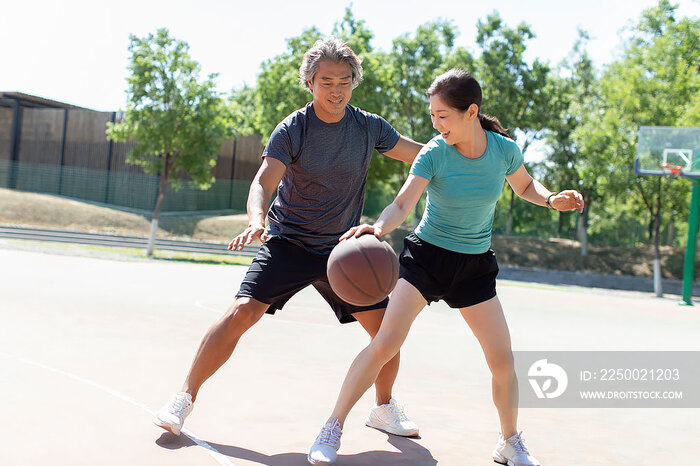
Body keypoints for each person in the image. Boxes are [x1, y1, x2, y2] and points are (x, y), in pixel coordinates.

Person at [307, 69, 584, 466]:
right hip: (427, 259)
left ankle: (510, 442)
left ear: (471, 112)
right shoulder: (435, 152)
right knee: (385, 344)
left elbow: (524, 186)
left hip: (474, 265)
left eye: (443, 116)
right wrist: (380, 227)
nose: (436, 124)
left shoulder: (504, 150)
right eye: (432, 116)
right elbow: (404, 204)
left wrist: (552, 199)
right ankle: (331, 428)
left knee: (502, 359)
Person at [152, 37, 424, 439]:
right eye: (327, 81)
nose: (337, 90)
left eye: (345, 81)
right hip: (289, 241)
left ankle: (383, 408)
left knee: (386, 333)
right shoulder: (294, 128)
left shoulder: (368, 126)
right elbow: (264, 181)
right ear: (310, 82)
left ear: (354, 83)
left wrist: (467, 147)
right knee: (242, 312)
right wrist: (256, 219)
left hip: (342, 252)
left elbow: (421, 154)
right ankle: (184, 397)